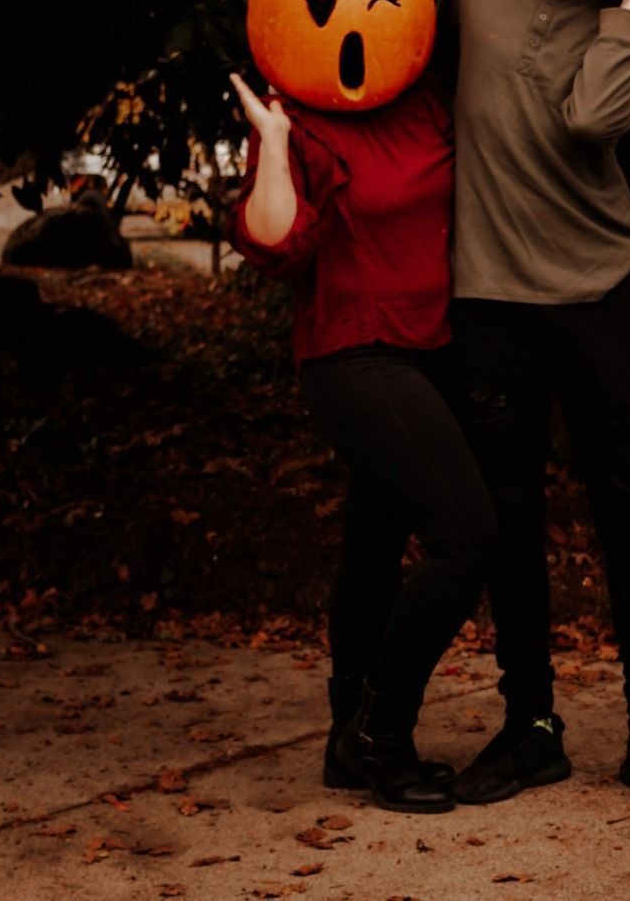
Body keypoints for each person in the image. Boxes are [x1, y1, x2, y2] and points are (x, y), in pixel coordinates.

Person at [436, 0, 630, 814]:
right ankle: (532, 731)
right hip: (489, 294)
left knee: (622, 510)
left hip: (600, 291)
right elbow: (431, 90)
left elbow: (596, 118)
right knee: (508, 517)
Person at [224, 63, 496, 815]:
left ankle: (347, 737)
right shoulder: (297, 118)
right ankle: (382, 733)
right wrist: (273, 142)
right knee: (466, 536)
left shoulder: (422, 102)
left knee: (374, 541)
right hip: (353, 349)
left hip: (434, 347)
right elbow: (271, 244)